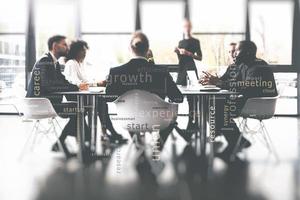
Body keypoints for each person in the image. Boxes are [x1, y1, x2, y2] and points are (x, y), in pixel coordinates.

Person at [200, 40, 277, 161]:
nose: (234, 54)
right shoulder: (243, 65)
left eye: (237, 51)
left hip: (258, 104)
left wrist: (220, 83)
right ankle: (236, 139)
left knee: (217, 106)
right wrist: (215, 80)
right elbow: (233, 82)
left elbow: (244, 87)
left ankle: (235, 140)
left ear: (247, 53)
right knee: (212, 103)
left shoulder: (258, 67)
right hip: (247, 101)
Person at [106, 31, 183, 147]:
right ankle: (157, 147)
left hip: (128, 120)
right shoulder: (161, 72)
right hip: (158, 121)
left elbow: (108, 97)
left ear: (130, 49)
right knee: (172, 118)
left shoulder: (116, 72)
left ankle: (139, 146)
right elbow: (178, 98)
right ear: (148, 50)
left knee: (132, 113)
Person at [26, 35, 90, 157]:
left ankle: (70, 142)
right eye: (64, 45)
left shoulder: (53, 63)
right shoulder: (45, 61)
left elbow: (62, 81)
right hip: (41, 106)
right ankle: (80, 143)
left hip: (48, 103)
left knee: (80, 108)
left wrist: (76, 87)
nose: (67, 48)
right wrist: (75, 88)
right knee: (80, 109)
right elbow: (48, 85)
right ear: (55, 46)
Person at [63, 40, 126, 143]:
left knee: (102, 103)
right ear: (76, 51)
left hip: (82, 96)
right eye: (83, 50)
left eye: (85, 50)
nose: (85, 53)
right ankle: (108, 133)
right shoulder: (71, 64)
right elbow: (78, 85)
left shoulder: (79, 64)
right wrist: (97, 84)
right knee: (101, 103)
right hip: (75, 97)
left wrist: (98, 83)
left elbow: (85, 83)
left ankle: (106, 133)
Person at [174, 19, 202, 136]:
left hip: (191, 68)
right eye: (185, 26)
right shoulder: (180, 42)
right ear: (183, 28)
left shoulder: (196, 41)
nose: (187, 28)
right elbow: (181, 59)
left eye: (188, 26)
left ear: (191, 27)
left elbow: (200, 57)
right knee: (175, 95)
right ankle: (172, 123)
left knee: (193, 98)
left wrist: (188, 53)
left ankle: (192, 124)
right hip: (182, 69)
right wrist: (177, 52)